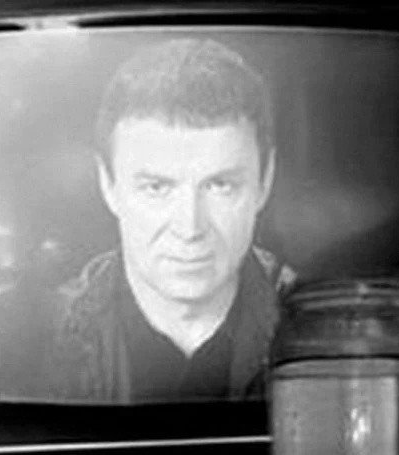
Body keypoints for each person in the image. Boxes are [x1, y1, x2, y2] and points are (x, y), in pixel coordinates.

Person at [52, 38, 296, 404]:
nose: (190, 228)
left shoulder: (319, 330)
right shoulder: (38, 335)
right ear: (108, 184)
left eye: (220, 185)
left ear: (265, 179)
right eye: (156, 187)